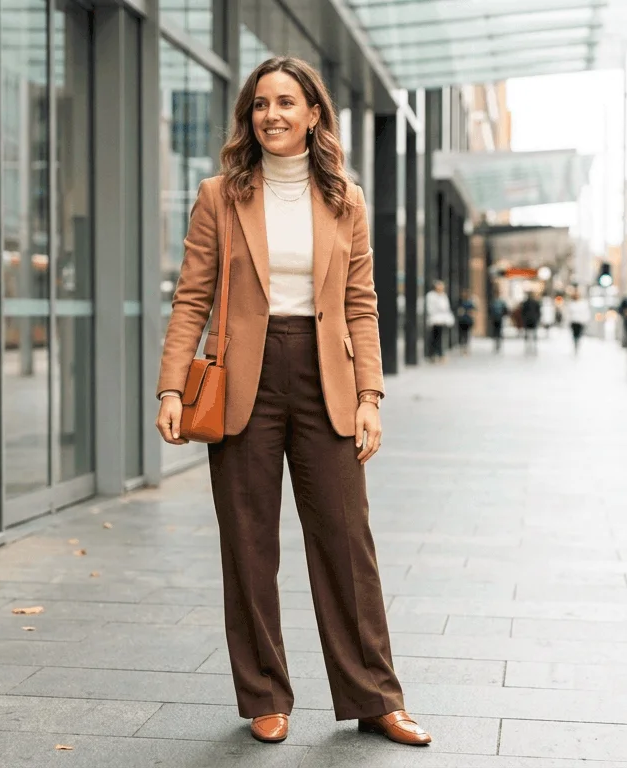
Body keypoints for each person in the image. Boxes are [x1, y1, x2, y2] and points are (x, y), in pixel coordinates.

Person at [154, 56, 430, 748]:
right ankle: (265, 695)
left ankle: (374, 696)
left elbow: (362, 306)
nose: (271, 114)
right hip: (243, 377)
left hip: (325, 376)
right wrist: (170, 386)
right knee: (248, 544)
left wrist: (370, 394)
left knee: (346, 542)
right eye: (259, 104)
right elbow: (192, 295)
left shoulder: (345, 198)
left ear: (313, 114)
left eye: (286, 102)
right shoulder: (220, 194)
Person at [425, 281, 454, 363]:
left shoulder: (443, 295)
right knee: (434, 337)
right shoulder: (431, 295)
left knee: (440, 337)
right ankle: (433, 354)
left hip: (442, 320)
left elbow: (446, 308)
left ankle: (439, 354)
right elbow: (430, 308)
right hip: (435, 320)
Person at [567, 288, 590, 354]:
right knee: (574, 335)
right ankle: (575, 345)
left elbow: (586, 313)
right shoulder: (571, 304)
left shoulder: (583, 304)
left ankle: (577, 345)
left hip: (580, 322)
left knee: (579, 335)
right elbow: (568, 314)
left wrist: (585, 320)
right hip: (574, 322)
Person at [455, 291, 478, 355]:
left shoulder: (469, 303)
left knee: (465, 335)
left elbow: (474, 311)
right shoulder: (462, 303)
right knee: (464, 335)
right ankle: (464, 348)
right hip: (463, 321)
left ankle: (465, 348)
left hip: (467, 321)